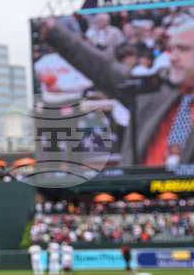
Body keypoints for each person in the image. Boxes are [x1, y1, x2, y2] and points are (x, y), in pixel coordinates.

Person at [38, 18, 194, 166]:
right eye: (170, 48)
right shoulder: (154, 90)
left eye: (183, 49)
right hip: (138, 193)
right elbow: (102, 69)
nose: (172, 58)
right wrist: (55, 33)